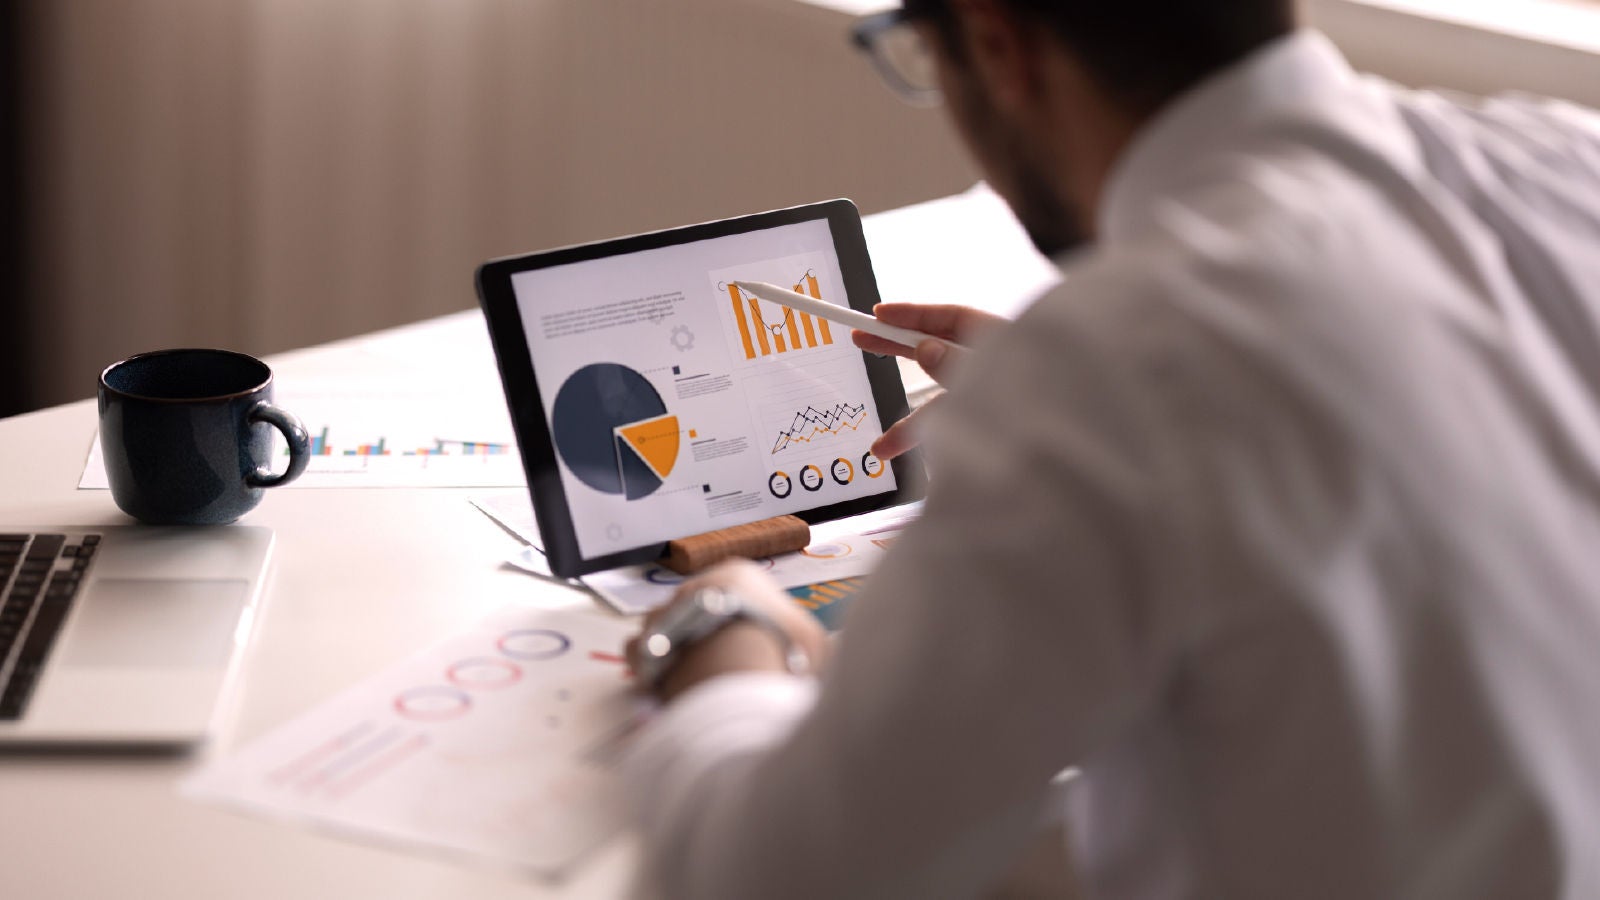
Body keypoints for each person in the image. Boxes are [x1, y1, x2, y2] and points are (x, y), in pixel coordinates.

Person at [621, 1, 1600, 897]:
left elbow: (782, 875)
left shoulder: (1112, 370)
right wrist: (1084, 409)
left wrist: (716, 637)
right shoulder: (1568, 160)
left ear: (997, 45)